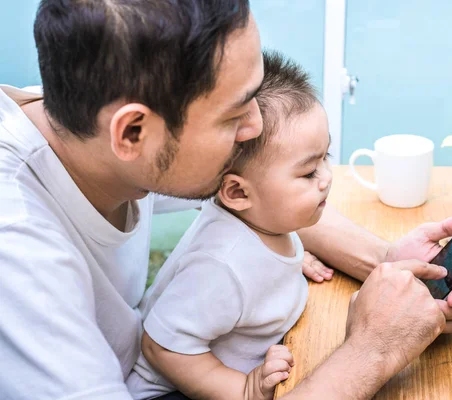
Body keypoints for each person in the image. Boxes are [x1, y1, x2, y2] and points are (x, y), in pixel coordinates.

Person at [0, 1, 452, 399]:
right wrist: (374, 351)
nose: (255, 128)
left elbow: (263, 193)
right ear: (133, 132)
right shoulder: (17, 251)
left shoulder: (95, 123)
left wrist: (386, 263)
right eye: (234, 116)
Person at [125, 50, 342, 400]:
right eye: (308, 172)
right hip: (172, 389)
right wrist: (243, 389)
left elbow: (257, 264)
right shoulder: (220, 267)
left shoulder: (266, 221)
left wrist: (284, 265)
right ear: (238, 192)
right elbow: (162, 347)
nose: (326, 178)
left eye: (326, 158)